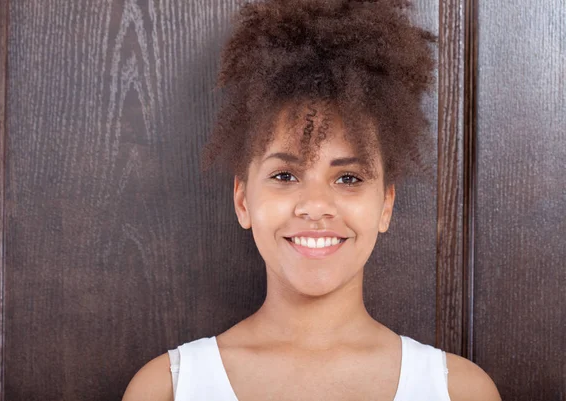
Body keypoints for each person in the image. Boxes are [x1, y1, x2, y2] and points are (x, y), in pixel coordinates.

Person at [122, 0, 501, 399]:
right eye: (285, 175)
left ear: (386, 204)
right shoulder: (166, 388)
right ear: (242, 200)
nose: (315, 205)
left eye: (348, 177)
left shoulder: (461, 390)